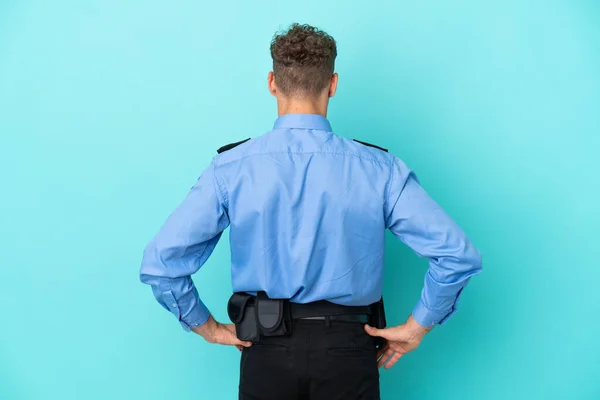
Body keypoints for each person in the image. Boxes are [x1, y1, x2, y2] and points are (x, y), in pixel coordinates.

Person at [139, 23, 482, 400]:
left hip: (264, 350)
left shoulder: (232, 168)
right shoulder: (379, 169)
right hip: (349, 352)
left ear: (272, 82)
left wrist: (209, 328)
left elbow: (161, 264)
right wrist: (418, 326)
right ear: (332, 84)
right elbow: (457, 255)